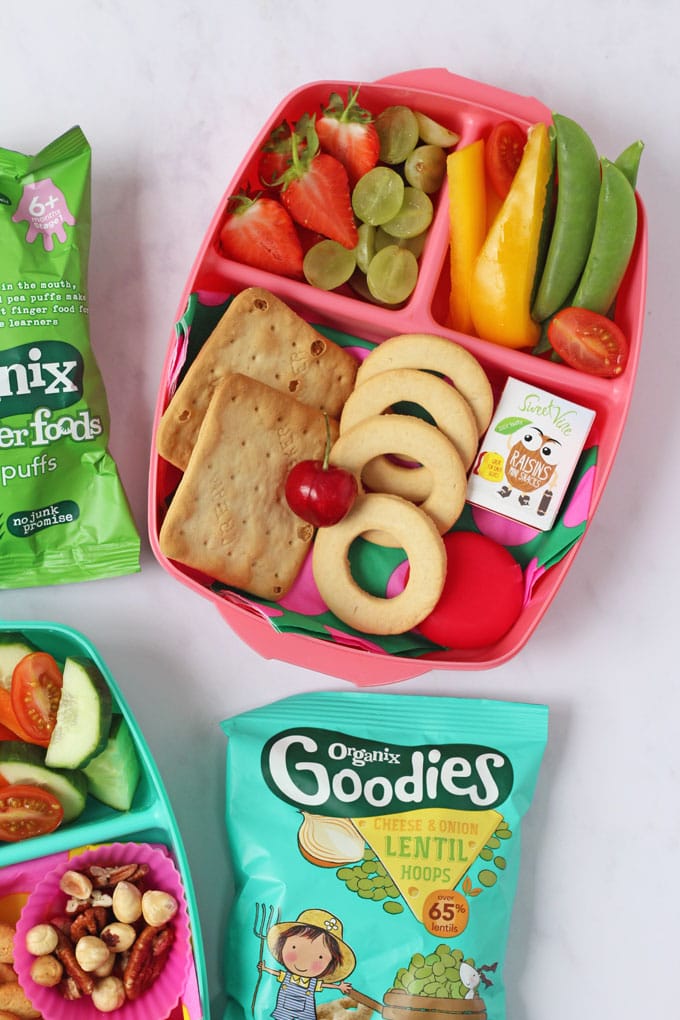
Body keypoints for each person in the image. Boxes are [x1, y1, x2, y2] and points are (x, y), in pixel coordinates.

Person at [258, 908, 356, 1020]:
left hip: (304, 1014)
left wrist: (339, 987)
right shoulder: (288, 977)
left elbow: (323, 985)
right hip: (284, 1010)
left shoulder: (312, 983)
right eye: (294, 947)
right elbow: (276, 973)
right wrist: (265, 968)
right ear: (282, 943)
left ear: (330, 964)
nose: (304, 962)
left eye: (320, 957)